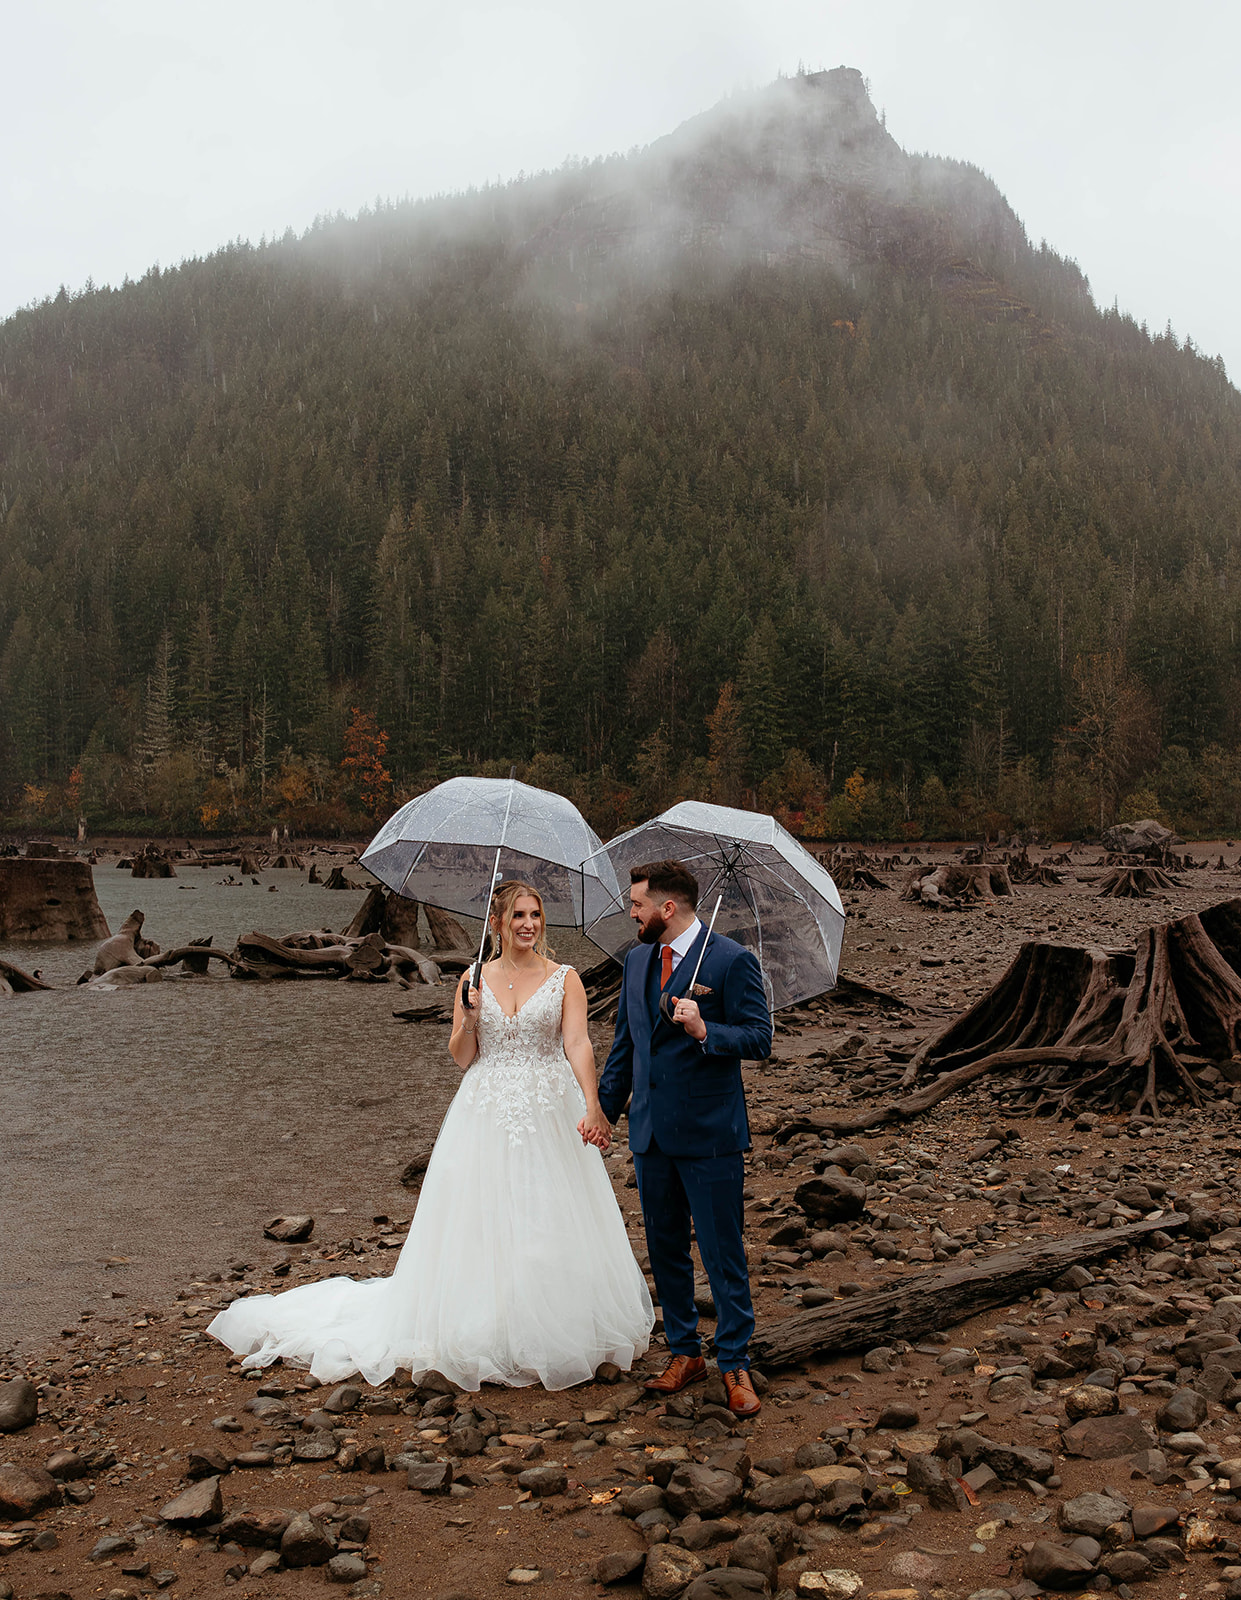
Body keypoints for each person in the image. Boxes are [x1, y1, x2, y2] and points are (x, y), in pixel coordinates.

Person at [208, 881, 652, 1390]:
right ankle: (486, 1324)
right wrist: (469, 1015)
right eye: (518, 916)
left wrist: (593, 1103)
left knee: (549, 1208)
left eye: (535, 915)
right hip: (483, 1107)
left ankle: (556, 1323)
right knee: (480, 1215)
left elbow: (577, 1042)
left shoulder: (564, 979)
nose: (529, 924)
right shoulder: (472, 978)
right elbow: (462, 1056)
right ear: (497, 923)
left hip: (550, 1108)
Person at [594, 859, 772, 1417]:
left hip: (710, 1133)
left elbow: (760, 1037)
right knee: (666, 1249)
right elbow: (626, 1046)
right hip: (649, 1133)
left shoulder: (731, 960)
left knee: (723, 1252)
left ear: (667, 908)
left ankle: (735, 1361)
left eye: (638, 904)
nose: (632, 912)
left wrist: (705, 1030)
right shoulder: (637, 961)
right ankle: (683, 1352)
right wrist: (604, 1111)